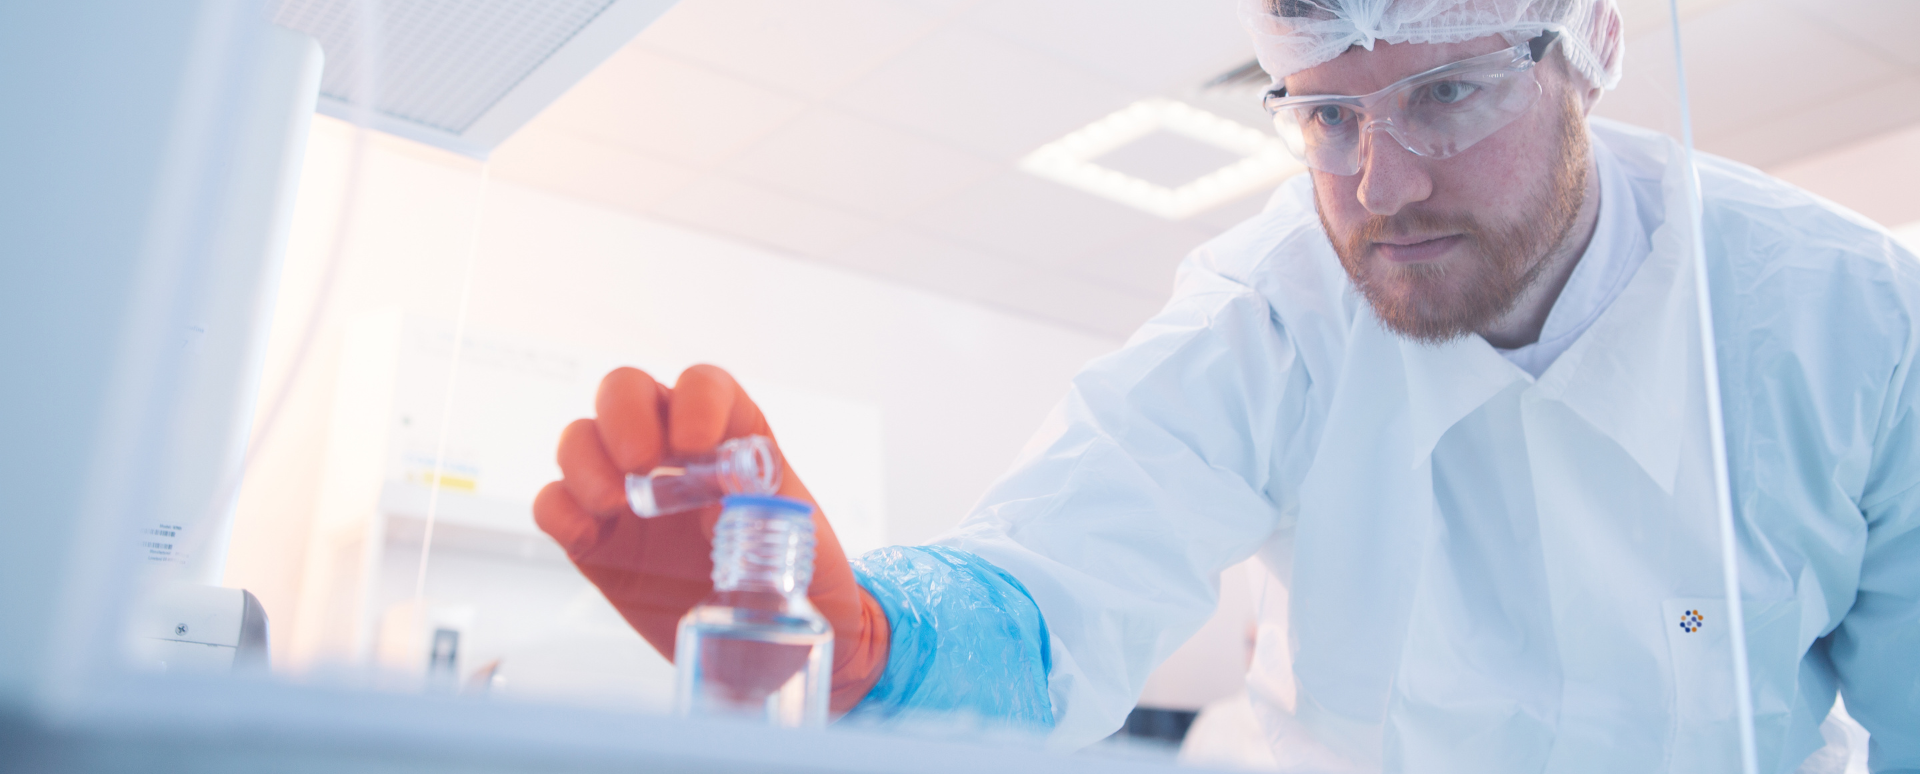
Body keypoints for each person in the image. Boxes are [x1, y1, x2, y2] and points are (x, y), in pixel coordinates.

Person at [531, 0, 1920, 770]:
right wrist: (869, 637)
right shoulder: (1275, 308)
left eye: (1446, 97)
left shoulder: (1847, 322)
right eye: (1326, 114)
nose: (1379, 186)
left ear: (1595, 40)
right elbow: (1051, 589)